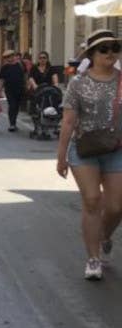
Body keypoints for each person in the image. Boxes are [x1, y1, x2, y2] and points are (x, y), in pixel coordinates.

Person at [56, 30, 122, 281]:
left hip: (117, 149)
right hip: (84, 149)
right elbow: (69, 120)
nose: (110, 53)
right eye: (104, 49)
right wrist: (61, 156)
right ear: (92, 54)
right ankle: (94, 258)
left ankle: (104, 235)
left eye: (115, 48)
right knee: (93, 200)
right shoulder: (78, 83)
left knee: (117, 206)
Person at [0, 50, 28, 132]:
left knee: (17, 106)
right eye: (6, 57)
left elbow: (25, 75)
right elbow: (1, 79)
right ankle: (12, 124)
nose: (9, 58)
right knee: (12, 105)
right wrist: (0, 90)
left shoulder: (20, 65)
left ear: (13, 56)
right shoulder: (4, 67)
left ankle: (14, 122)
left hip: (20, 88)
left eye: (10, 56)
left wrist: (26, 85)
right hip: (9, 89)